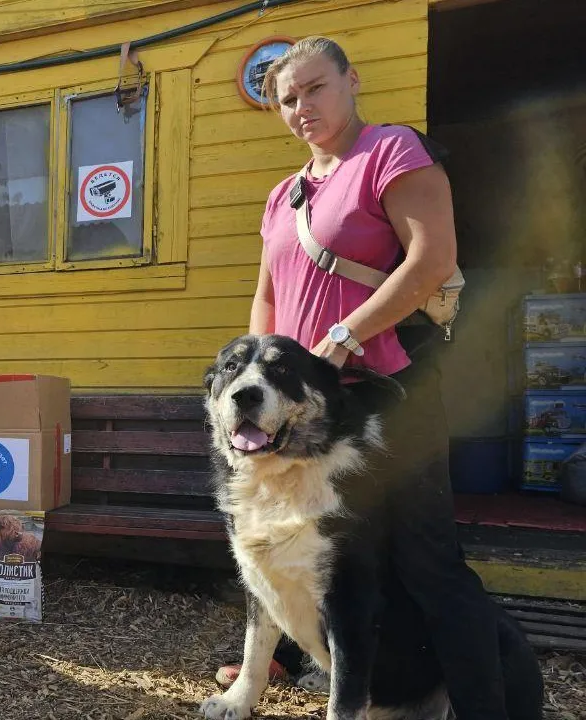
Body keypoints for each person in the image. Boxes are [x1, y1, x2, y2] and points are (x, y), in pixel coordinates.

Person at [217, 36, 510, 718]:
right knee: (308, 541)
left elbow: (431, 260)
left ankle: (486, 703)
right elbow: (268, 300)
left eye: (315, 88)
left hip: (388, 393)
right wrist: (260, 366)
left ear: (352, 80)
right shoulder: (284, 195)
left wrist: (348, 335)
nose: (301, 108)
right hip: (308, 410)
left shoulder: (391, 152)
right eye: (288, 99)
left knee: (426, 558)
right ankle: (302, 657)